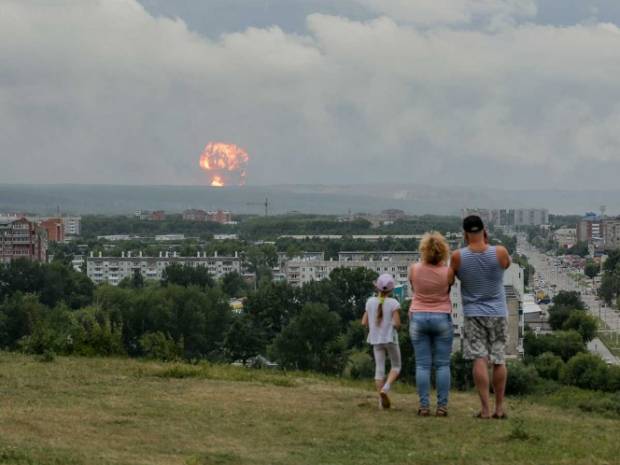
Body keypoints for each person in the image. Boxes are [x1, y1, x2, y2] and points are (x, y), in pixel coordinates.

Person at [450, 215, 511, 419]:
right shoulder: (500, 252)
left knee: (479, 358)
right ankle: (499, 408)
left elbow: (452, 278)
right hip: (498, 313)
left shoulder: (458, 256)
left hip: (473, 313)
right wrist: (488, 243)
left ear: (465, 233)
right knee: (499, 359)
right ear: (484, 230)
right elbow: (506, 264)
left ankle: (485, 409)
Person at [409, 232, 455, 417]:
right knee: (443, 365)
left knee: (422, 365)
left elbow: (413, 288)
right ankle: (442, 406)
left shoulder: (414, 269)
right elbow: (448, 288)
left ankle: (424, 406)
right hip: (442, 317)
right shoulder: (447, 272)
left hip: (418, 317)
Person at [362, 273, 401, 409]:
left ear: (377, 288)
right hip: (390, 338)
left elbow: (363, 322)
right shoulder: (394, 303)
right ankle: (386, 388)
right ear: (391, 290)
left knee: (379, 370)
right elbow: (397, 324)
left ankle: (380, 403)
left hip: (376, 340)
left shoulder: (370, 301)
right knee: (396, 366)